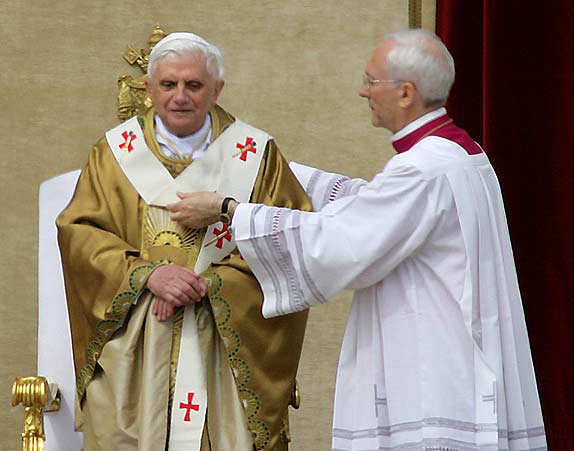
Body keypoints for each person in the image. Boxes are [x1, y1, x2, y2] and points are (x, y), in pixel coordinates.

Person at [167, 29, 548, 451]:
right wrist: (270, 167)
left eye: (371, 80)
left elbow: (340, 243)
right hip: (451, 355)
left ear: (405, 93)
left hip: (430, 370)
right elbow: (373, 207)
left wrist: (230, 210)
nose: (362, 91)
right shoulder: (457, 154)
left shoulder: (423, 169)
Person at [57, 32, 311, 451]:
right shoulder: (113, 154)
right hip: (138, 339)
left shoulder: (257, 155)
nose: (180, 97)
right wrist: (147, 274)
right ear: (149, 88)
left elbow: (290, 237)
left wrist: (212, 284)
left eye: (193, 85)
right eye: (168, 85)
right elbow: (79, 234)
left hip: (223, 342)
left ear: (217, 89)